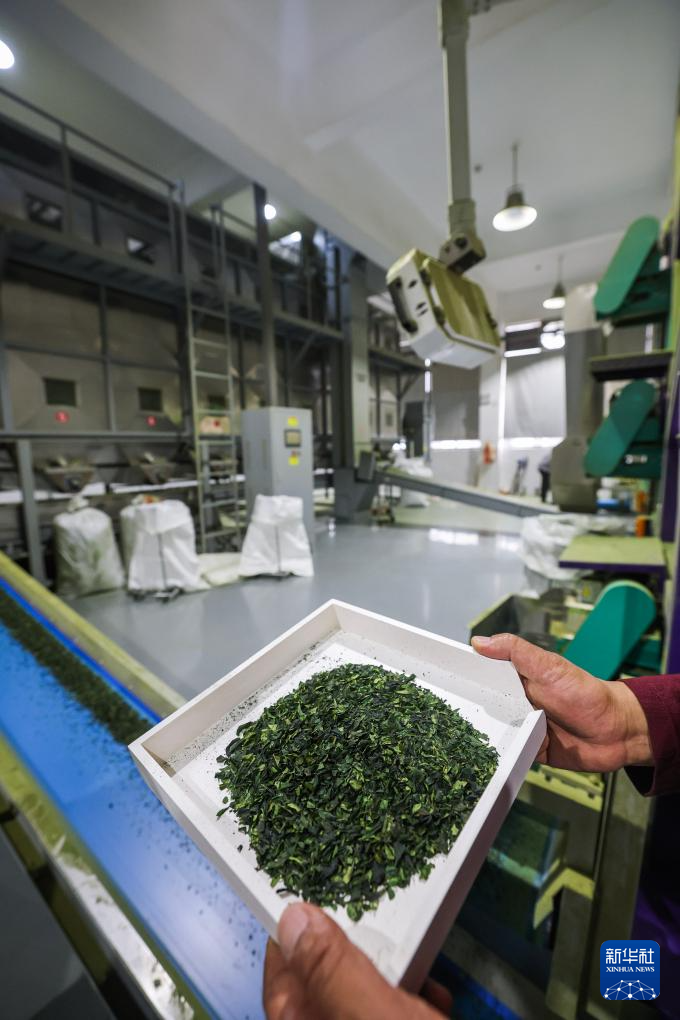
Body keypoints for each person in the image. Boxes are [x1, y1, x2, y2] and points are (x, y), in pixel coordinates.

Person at [263, 632, 674, 1019]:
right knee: (645, 972)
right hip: (663, 897)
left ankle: (629, 1002)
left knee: (645, 988)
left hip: (667, 905)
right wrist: (627, 716)